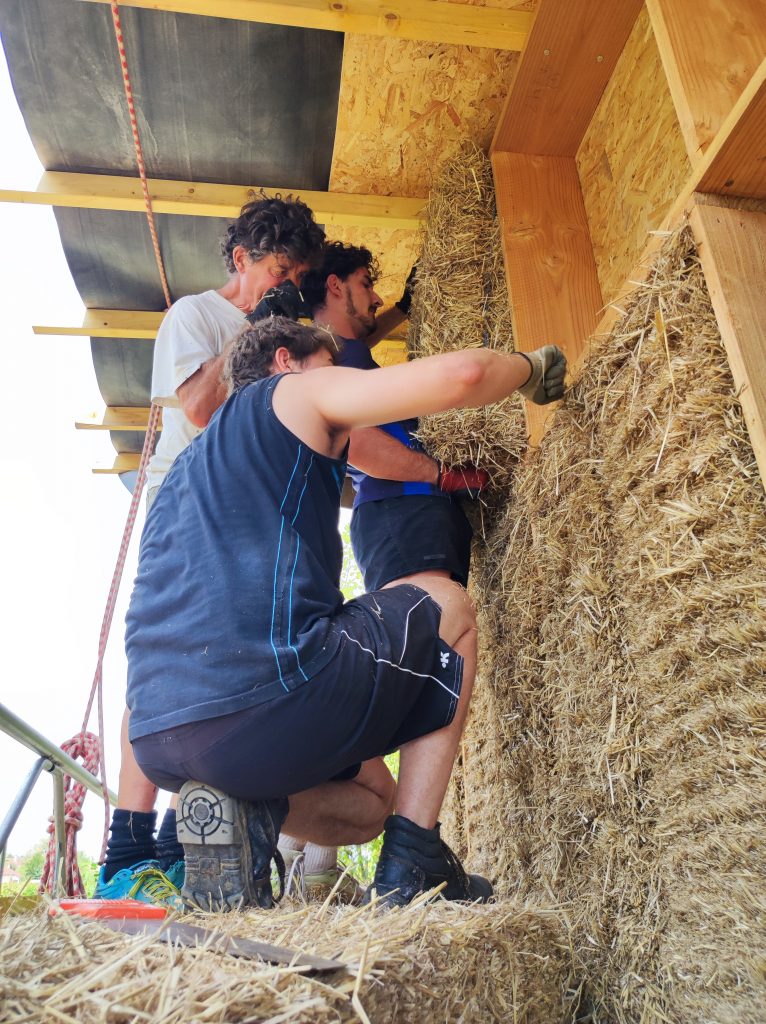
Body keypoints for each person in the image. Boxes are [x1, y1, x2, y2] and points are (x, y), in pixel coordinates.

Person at [124, 315, 567, 911]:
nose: (342, 384)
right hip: (262, 698)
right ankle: (415, 860)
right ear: (286, 360)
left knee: (370, 804)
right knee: (450, 605)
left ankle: (247, 806)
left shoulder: (184, 469)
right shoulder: (292, 392)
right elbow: (464, 374)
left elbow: (370, 456)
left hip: (159, 738)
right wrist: (530, 367)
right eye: (332, 367)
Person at [94, 195, 326, 904]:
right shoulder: (195, 316)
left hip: (244, 511)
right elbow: (197, 409)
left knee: (219, 667)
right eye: (279, 271)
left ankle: (176, 843)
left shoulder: (292, 337)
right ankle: (126, 849)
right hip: (184, 503)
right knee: (166, 663)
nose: (287, 286)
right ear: (242, 259)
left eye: (297, 277)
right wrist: (254, 327)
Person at [303, 243, 488, 603]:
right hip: (400, 508)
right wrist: (442, 475)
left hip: (415, 508)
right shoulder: (318, 362)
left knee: (450, 625)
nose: (376, 298)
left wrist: (403, 309)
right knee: (433, 625)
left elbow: (359, 339)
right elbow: (356, 442)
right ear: (335, 286)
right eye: (365, 284)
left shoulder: (342, 353)